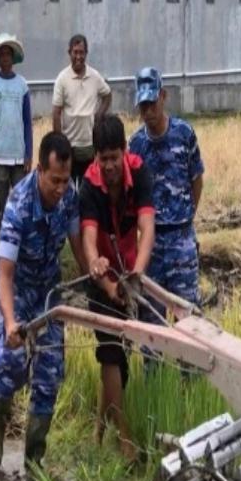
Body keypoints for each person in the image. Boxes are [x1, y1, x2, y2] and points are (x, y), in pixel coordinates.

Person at [0, 131, 87, 473]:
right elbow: (4, 275)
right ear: (40, 170)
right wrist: (12, 322)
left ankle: (33, 460)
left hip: (47, 288)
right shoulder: (19, 205)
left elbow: (76, 243)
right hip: (16, 286)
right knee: (10, 362)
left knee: (49, 373)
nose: (61, 188)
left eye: (65, 180)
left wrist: (94, 278)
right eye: (55, 180)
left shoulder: (69, 196)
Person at [80, 115, 155, 460]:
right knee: (111, 352)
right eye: (103, 158)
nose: (109, 165)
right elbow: (89, 242)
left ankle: (98, 427)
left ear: (124, 152)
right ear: (95, 157)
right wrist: (105, 279)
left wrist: (136, 277)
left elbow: (147, 227)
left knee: (118, 357)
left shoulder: (139, 172)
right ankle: (124, 438)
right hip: (102, 277)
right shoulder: (90, 186)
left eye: (114, 157)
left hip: (130, 271)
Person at [129, 67, 204, 311]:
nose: (148, 111)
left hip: (181, 239)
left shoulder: (184, 134)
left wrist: (186, 217)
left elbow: (196, 179)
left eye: (152, 103)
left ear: (163, 96)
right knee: (152, 319)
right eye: (143, 106)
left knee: (190, 317)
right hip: (152, 243)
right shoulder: (136, 144)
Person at [0, 33, 32, 230]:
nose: (5, 58)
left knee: (21, 203)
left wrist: (29, 154)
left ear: (13, 58)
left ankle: (20, 239)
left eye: (8, 54)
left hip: (19, 156)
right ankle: (2, 241)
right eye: (1, 54)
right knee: (2, 205)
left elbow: (28, 122)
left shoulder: (22, 85)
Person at [52, 34, 111, 187]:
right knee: (68, 189)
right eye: (75, 52)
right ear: (69, 53)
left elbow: (107, 95)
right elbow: (56, 113)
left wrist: (99, 114)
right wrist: (59, 143)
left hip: (90, 146)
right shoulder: (62, 79)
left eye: (82, 52)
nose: (78, 56)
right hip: (70, 146)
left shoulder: (95, 76)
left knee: (88, 189)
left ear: (86, 53)